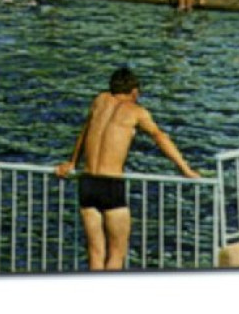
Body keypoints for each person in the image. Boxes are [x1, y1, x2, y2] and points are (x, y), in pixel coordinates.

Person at [55, 67, 200, 270]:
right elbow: (160, 137)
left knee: (95, 254)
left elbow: (85, 132)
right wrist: (186, 169)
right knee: (116, 256)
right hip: (111, 184)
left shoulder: (99, 101)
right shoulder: (136, 112)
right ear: (134, 92)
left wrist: (72, 162)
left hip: (87, 182)